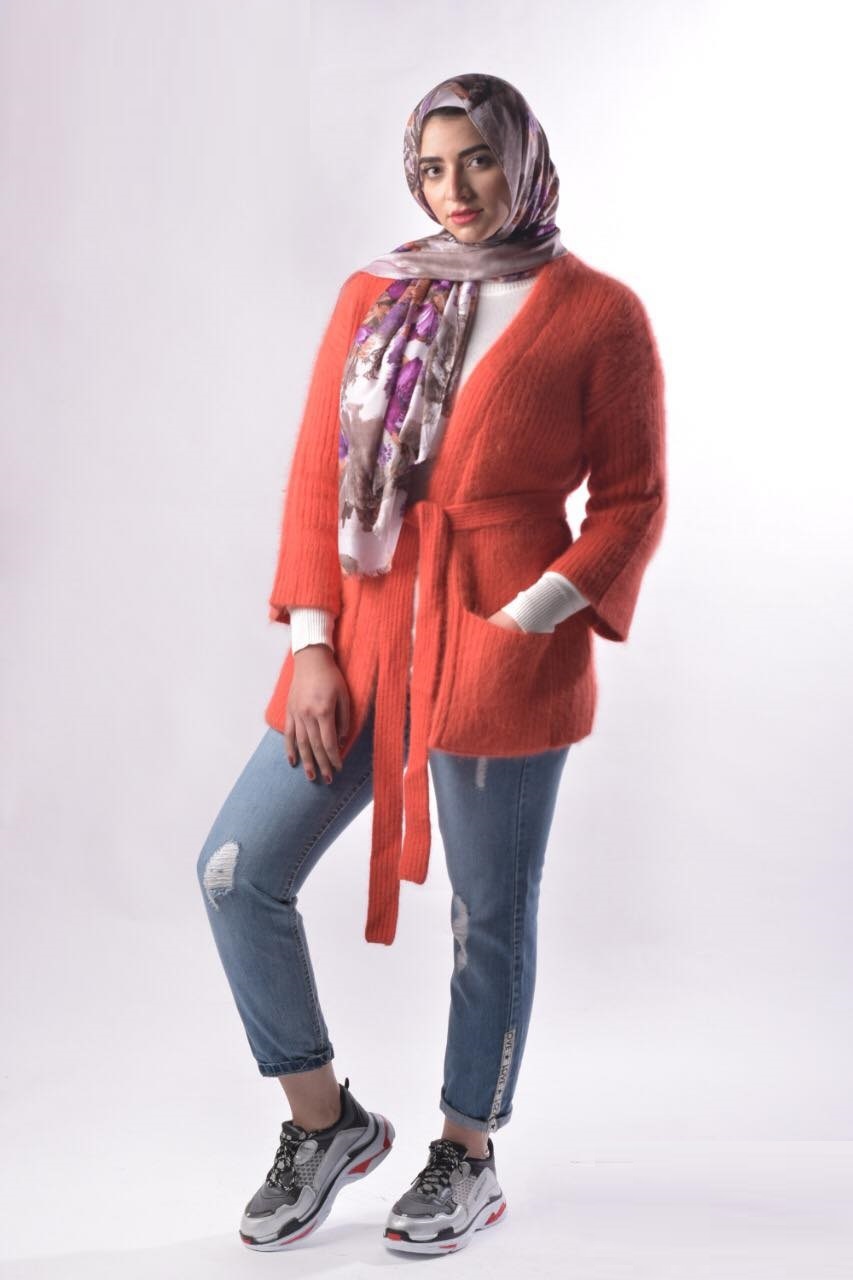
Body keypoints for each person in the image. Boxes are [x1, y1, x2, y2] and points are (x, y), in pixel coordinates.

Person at [196, 71, 667, 1256]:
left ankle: (467, 1149)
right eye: (431, 166)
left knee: (484, 912)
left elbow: (632, 499)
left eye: (479, 159)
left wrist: (532, 614)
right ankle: (327, 1121)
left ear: (524, 158)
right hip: (361, 635)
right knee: (236, 870)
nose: (454, 188)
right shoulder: (376, 292)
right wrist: (311, 643)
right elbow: (317, 476)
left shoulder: (598, 312)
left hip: (504, 644)